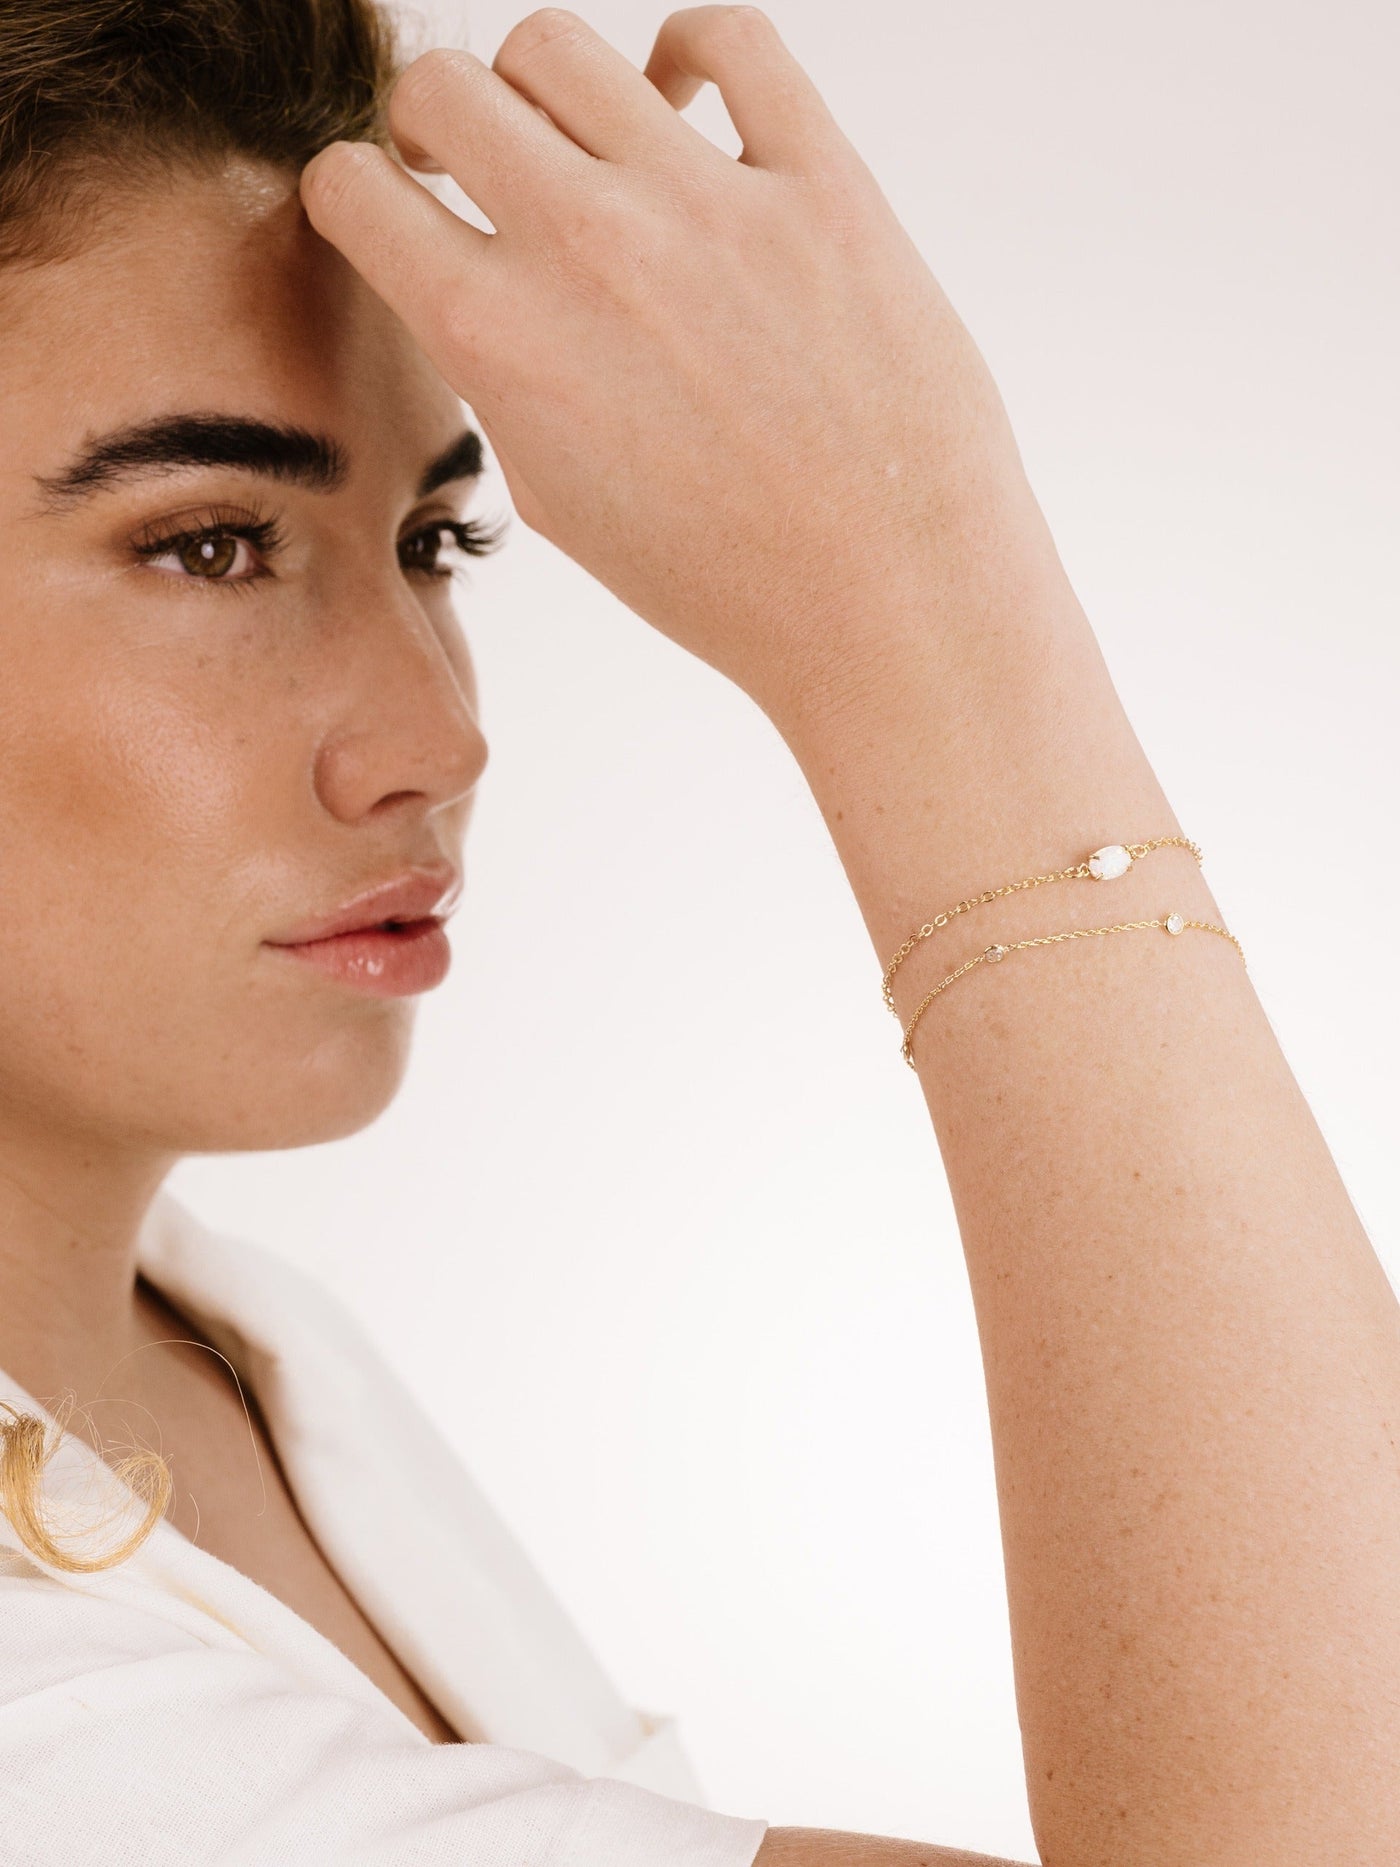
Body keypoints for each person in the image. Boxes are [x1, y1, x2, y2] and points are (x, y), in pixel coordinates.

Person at [0, 0, 1393, 1862]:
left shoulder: (236, 1346)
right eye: (210, 544)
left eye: (436, 544)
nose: (437, 738)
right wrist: (926, 609)